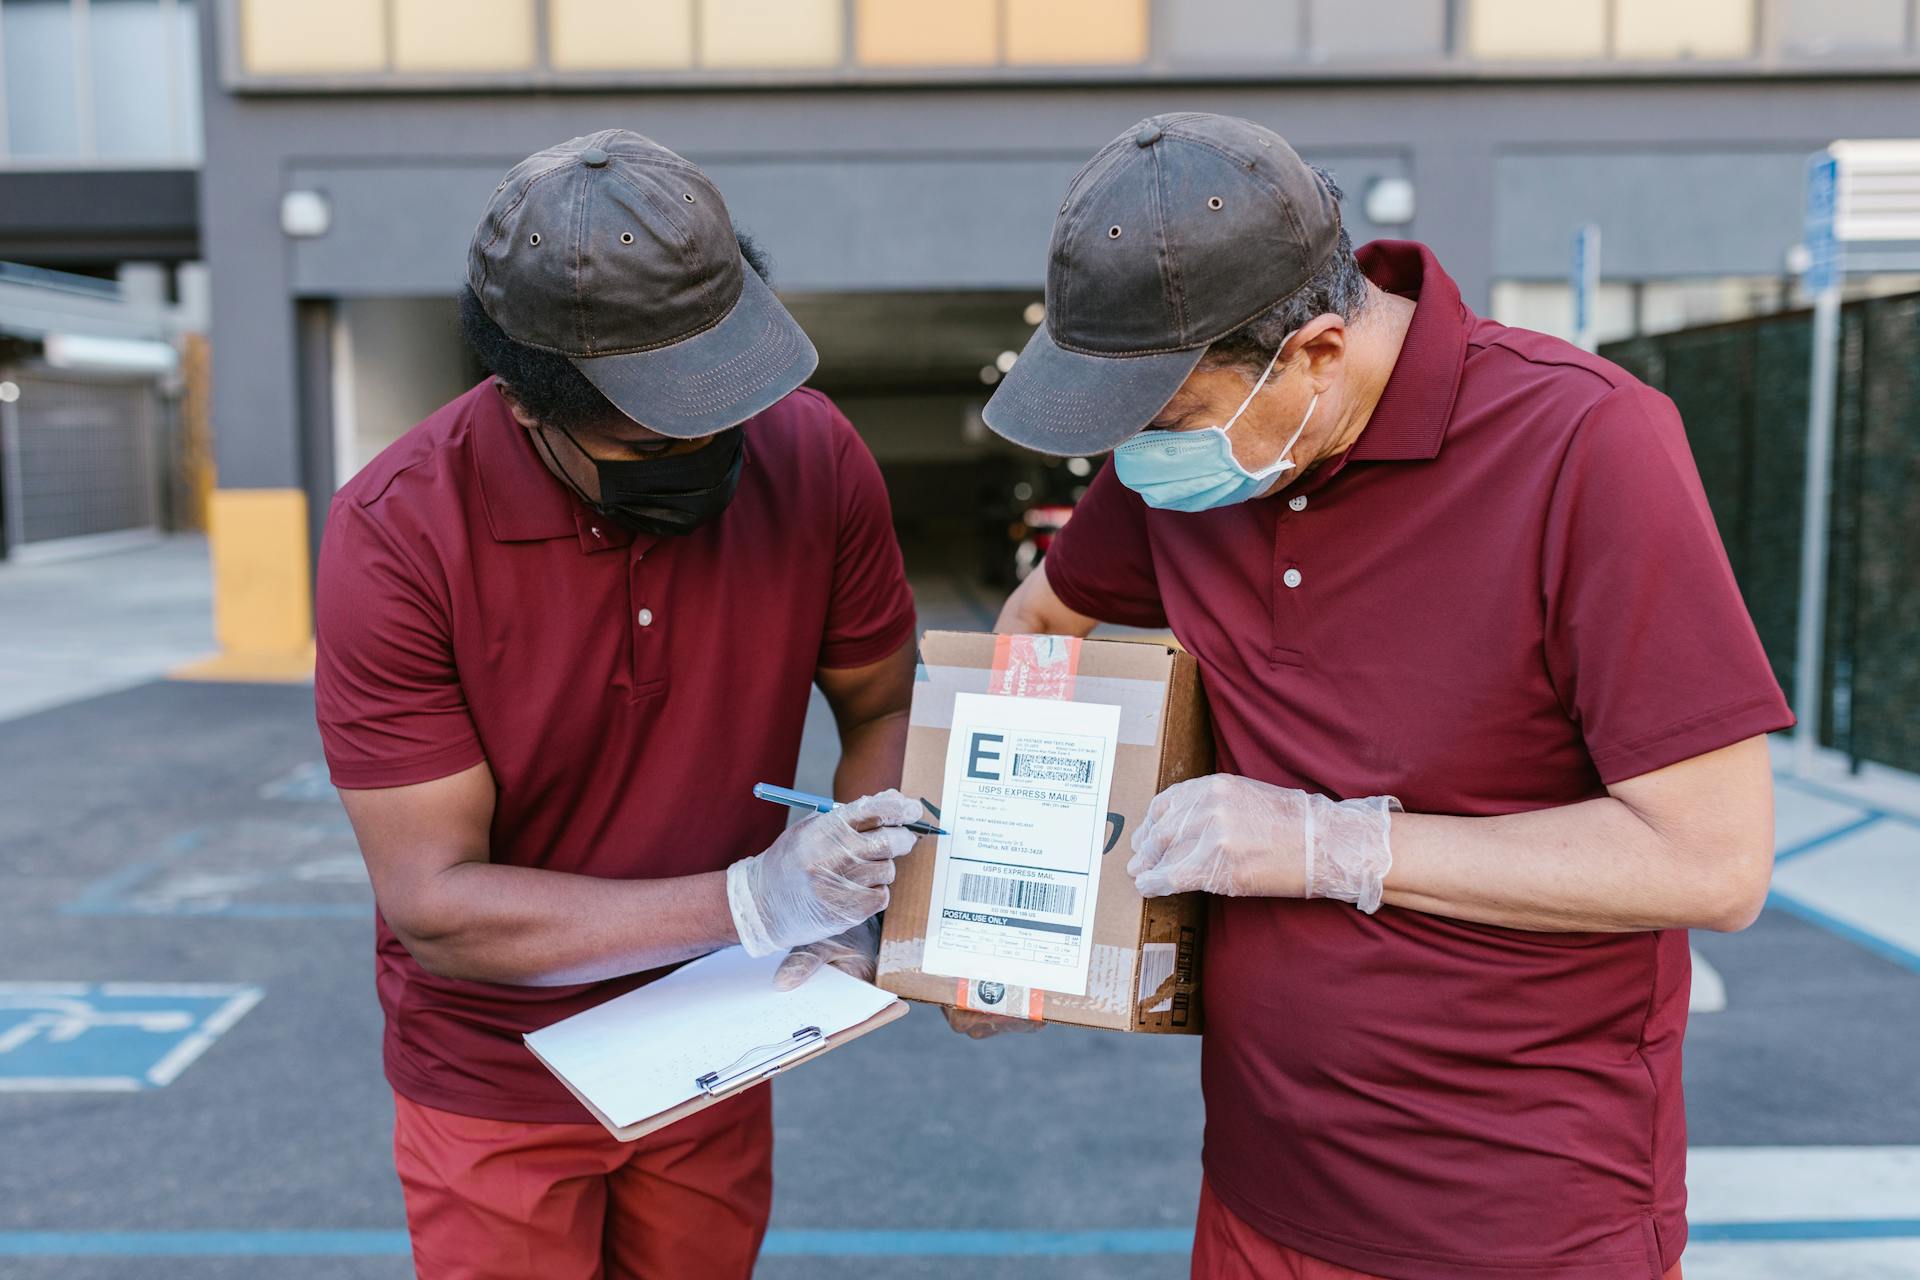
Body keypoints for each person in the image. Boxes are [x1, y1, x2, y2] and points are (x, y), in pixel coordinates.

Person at [982, 113, 1789, 1280]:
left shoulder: (1588, 444)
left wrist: (1338, 844)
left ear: (1315, 351)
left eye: (1165, 424)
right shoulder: (1188, 474)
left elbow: (1713, 863)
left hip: (1522, 1222)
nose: (1138, 461)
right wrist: (1008, 915)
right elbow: (1040, 625)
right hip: (1257, 1191)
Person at [314, 130, 922, 1280]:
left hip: (723, 1025)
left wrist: (861, 885)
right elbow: (436, 901)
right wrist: (755, 895)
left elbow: (882, 701)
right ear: (528, 402)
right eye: (653, 434)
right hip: (499, 1071)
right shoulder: (398, 531)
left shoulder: (813, 456)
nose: (702, 445)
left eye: (722, 409)